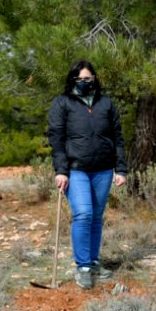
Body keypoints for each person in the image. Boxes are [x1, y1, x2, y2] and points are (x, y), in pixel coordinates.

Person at [48, 60, 128, 289]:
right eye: (80, 79)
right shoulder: (62, 103)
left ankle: (93, 262)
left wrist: (120, 169)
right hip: (76, 170)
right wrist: (61, 171)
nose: (84, 83)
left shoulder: (106, 103)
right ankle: (82, 267)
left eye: (88, 79)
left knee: (95, 217)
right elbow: (57, 139)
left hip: (103, 169)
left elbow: (118, 137)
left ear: (94, 79)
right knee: (83, 214)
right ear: (73, 80)